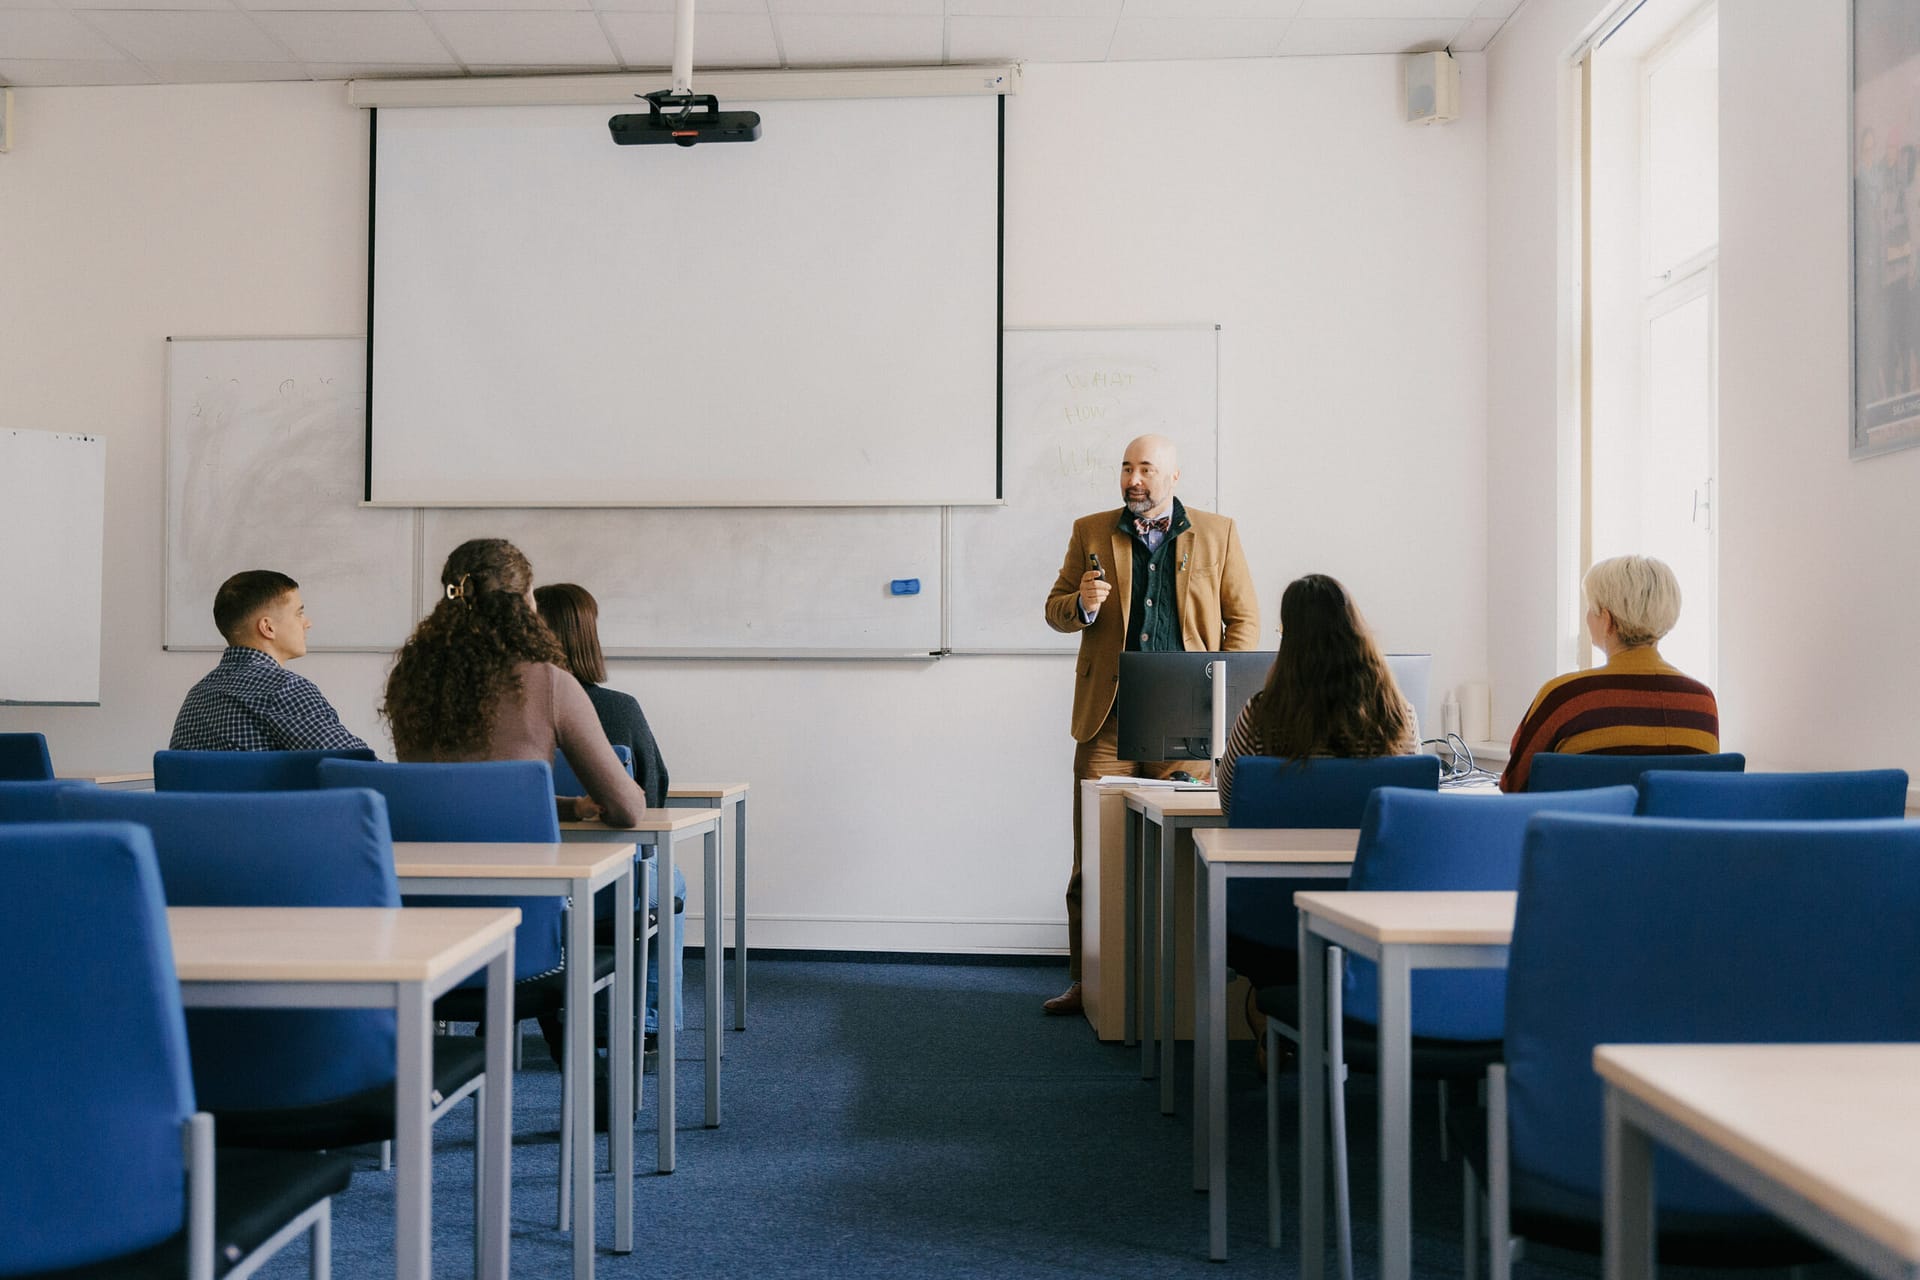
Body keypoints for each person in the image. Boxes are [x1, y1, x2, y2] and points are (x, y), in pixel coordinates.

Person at [383, 539, 648, 1067]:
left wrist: (565, 806)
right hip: (524, 938)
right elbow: (628, 809)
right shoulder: (549, 681)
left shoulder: (408, 681)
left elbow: (453, 796)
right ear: (527, 604)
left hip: (420, 927)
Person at [1040, 433, 1260, 1016]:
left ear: (1173, 476)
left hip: (1187, 722)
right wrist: (1083, 603)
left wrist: (1222, 697)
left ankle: (1182, 989)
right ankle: (1089, 985)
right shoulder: (1091, 530)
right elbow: (1055, 610)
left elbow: (1244, 622)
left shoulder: (1219, 532)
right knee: (1094, 857)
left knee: (1186, 853)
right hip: (1106, 720)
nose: (1134, 480)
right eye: (1126, 468)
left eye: (1146, 470)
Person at [1213, 574, 1416, 1010]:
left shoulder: (1261, 713)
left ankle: (1275, 1011)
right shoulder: (1400, 716)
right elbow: (1405, 813)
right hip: (1371, 912)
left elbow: (1230, 801)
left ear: (1288, 638)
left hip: (1270, 918)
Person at [534, 581, 683, 1041]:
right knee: (668, 878)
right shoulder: (618, 710)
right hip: (609, 886)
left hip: (522, 881)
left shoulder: (499, 710)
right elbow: (651, 800)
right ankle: (651, 1023)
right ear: (587, 636)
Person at [1499, 554, 1719, 793]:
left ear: (1606, 620)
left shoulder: (1564, 697)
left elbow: (1514, 786)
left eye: (1590, 608)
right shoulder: (1702, 703)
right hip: (1673, 832)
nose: (1586, 618)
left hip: (1579, 831)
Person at [170, 569, 370, 752]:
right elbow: (361, 768)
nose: (308, 623)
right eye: (299, 613)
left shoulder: (197, 697)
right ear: (268, 627)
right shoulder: (285, 690)